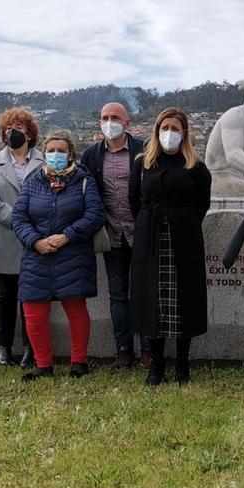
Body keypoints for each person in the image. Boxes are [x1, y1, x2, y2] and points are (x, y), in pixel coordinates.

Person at [12, 130, 106, 381]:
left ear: (71, 154)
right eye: (51, 150)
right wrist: (36, 241)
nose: (56, 155)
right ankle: (43, 365)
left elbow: (95, 214)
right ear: (43, 154)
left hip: (73, 254)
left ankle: (79, 362)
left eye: (61, 150)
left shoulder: (84, 180)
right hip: (37, 256)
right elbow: (19, 218)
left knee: (76, 308)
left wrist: (68, 235)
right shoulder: (33, 182)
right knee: (33, 311)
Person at [129, 108, 212, 385]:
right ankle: (157, 363)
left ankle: (182, 362)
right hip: (150, 236)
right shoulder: (143, 163)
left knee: (182, 300)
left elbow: (202, 203)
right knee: (151, 299)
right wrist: (149, 221)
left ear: (184, 132)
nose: (169, 133)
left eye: (175, 128)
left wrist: (182, 220)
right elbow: (134, 201)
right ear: (156, 129)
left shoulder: (196, 166)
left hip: (184, 237)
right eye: (165, 127)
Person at [80, 102, 148, 369]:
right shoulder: (91, 155)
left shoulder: (144, 150)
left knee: (144, 292)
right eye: (104, 117)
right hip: (111, 236)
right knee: (118, 295)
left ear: (127, 122)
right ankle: (123, 349)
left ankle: (148, 349)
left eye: (115, 117)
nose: (110, 122)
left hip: (141, 234)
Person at [0, 107, 44, 367]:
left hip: (35, 237)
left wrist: (33, 224)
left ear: (29, 133)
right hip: (4, 236)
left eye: (18, 128)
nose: (12, 133)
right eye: (8, 129)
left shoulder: (44, 160)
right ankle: (4, 346)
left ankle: (31, 346)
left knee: (31, 295)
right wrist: (17, 219)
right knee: (6, 295)